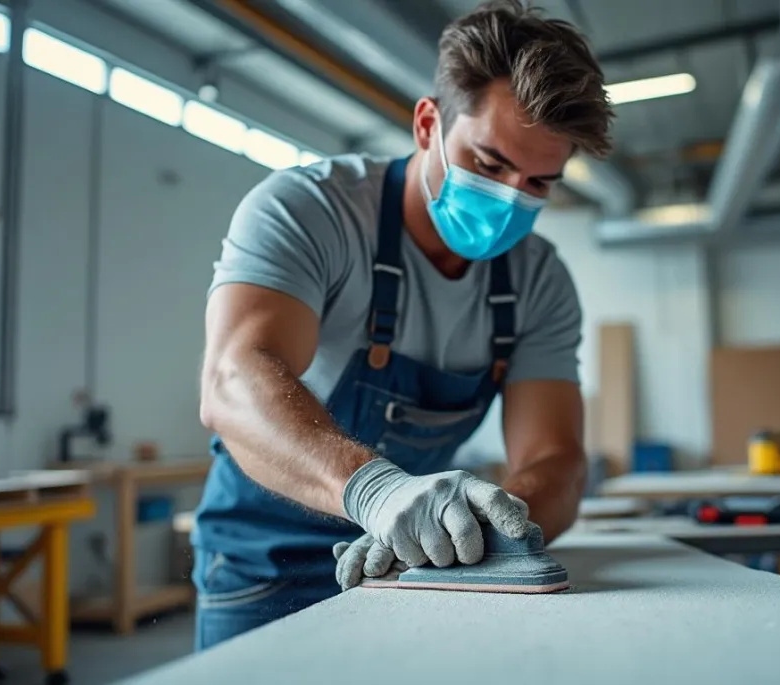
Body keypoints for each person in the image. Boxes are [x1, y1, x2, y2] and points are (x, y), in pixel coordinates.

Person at [191, 0, 614, 650]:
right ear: (427, 124)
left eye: (538, 183)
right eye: (489, 164)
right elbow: (233, 379)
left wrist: (491, 525)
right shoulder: (309, 211)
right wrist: (378, 491)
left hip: (418, 568)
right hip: (263, 570)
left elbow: (555, 459)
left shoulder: (539, 281)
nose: (509, 199)